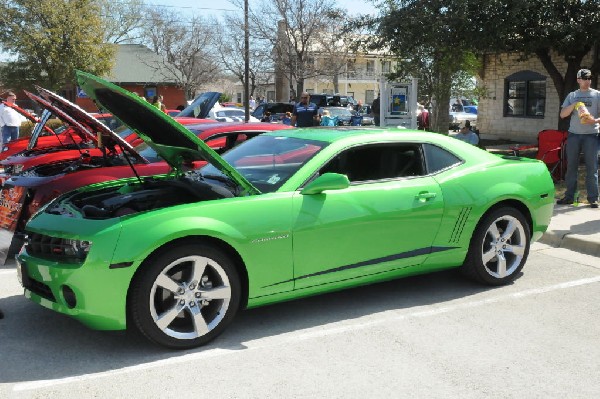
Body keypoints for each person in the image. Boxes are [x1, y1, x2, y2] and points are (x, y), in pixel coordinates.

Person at [557, 68, 600, 208]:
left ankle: (593, 198)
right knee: (571, 167)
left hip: (592, 136)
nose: (587, 81)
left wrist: (594, 121)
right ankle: (569, 197)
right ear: (578, 80)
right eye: (584, 78)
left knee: (592, 168)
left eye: (589, 78)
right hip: (574, 135)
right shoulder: (572, 95)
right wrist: (574, 105)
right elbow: (563, 114)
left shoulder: (597, 95)